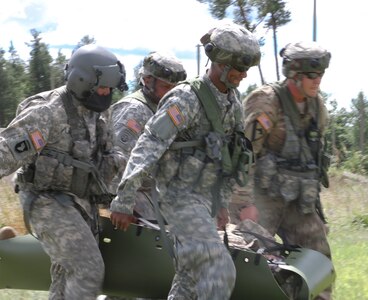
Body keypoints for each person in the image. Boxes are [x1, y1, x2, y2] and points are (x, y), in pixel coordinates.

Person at [109, 22, 260, 300]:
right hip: (179, 198)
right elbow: (149, 143)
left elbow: (230, 157)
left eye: (247, 67)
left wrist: (221, 204)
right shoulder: (186, 98)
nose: (244, 73)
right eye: (239, 67)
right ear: (221, 63)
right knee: (219, 269)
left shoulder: (233, 103)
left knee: (188, 282)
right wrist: (124, 197)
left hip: (205, 200)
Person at [0, 44, 127, 299]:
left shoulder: (98, 116)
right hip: (45, 201)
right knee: (88, 269)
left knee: (64, 276)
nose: (106, 94)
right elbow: (5, 153)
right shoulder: (47, 112)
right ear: (82, 81)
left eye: (110, 89)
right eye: (102, 87)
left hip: (80, 204)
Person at [241, 41, 333, 300]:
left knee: (318, 262)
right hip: (263, 198)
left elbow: (314, 159)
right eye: (313, 75)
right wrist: (245, 204)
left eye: (321, 75)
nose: (318, 81)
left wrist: (316, 209)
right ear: (295, 74)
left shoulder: (317, 106)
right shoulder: (266, 101)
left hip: (298, 201)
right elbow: (244, 155)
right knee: (249, 261)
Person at [109, 51, 186, 220]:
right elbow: (118, 163)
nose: (172, 93)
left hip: (156, 192)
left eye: (176, 88)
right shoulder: (134, 109)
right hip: (133, 195)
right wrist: (124, 204)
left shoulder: (166, 109)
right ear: (148, 81)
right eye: (166, 87)